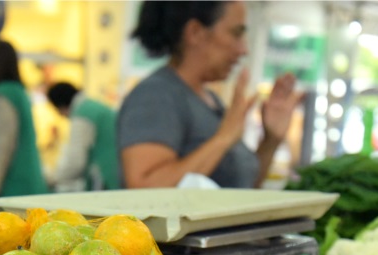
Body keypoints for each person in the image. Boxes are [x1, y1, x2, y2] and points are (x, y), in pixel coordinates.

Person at [118, 1, 304, 189]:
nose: (243, 49)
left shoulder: (209, 100)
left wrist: (270, 141)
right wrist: (223, 138)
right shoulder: (156, 96)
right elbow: (145, 187)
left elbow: (241, 192)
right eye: (236, 33)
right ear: (195, 32)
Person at [0, 40, 48, 216]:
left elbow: (5, 144)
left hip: (11, 190)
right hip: (30, 184)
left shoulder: (2, 95)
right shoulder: (20, 93)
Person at [46, 82, 120, 192]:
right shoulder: (95, 107)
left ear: (60, 105)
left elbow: (76, 160)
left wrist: (54, 179)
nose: (60, 115)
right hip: (118, 173)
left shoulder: (83, 114)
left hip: (106, 178)